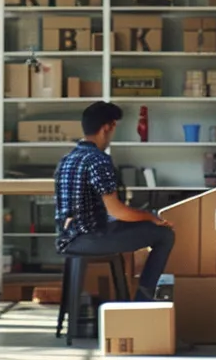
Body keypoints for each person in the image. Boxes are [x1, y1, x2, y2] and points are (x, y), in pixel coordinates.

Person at [55, 101, 174, 301]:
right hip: (90, 239)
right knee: (164, 235)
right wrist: (149, 217)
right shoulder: (99, 159)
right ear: (107, 127)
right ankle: (143, 302)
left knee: (132, 227)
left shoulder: (67, 159)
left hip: (66, 238)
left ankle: (137, 300)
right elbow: (116, 211)